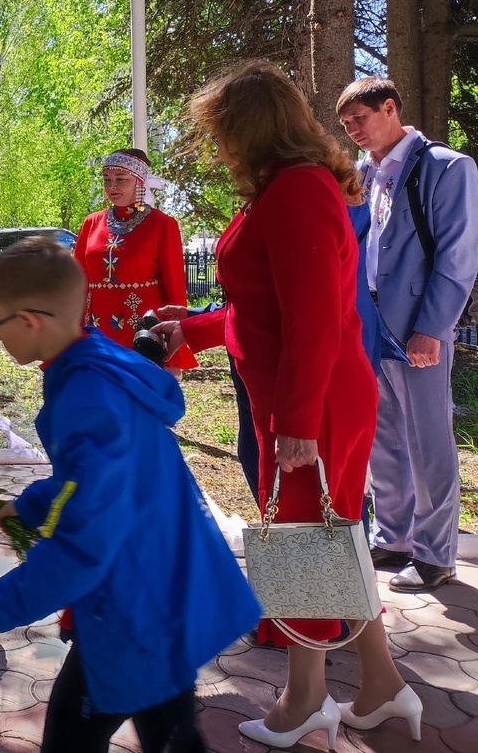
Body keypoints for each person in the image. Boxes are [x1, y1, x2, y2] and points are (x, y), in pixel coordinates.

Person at [159, 61, 420, 748]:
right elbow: (265, 308)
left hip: (317, 398)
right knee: (336, 542)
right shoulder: (294, 186)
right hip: (317, 390)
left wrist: (298, 422)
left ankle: (305, 700)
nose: (219, 148)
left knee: (308, 545)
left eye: (222, 132)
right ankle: (383, 685)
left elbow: (314, 317)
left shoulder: (297, 190)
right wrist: (192, 328)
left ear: (251, 127)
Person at [0, 236, 259, 753]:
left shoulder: (84, 397)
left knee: (80, 739)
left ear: (30, 321)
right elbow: (95, 480)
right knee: (164, 732)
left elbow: (87, 540)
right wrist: (30, 504)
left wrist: (1, 602)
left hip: (137, 604)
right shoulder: (98, 363)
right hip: (158, 588)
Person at [338, 77, 478, 593]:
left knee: (429, 439)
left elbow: (457, 258)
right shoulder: (363, 173)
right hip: (369, 325)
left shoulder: (447, 167)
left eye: (361, 119)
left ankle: (436, 554)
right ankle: (393, 537)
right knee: (382, 437)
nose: (353, 131)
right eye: (347, 124)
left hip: (418, 326)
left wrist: (432, 328)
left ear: (391, 108)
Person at [74, 149, 196, 373]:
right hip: (99, 329)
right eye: (107, 180)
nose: (112, 186)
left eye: (121, 180)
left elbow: (174, 285)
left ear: (139, 181)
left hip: (144, 328)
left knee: (142, 391)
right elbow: (77, 281)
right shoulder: (91, 223)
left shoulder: (162, 224)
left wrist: (172, 341)